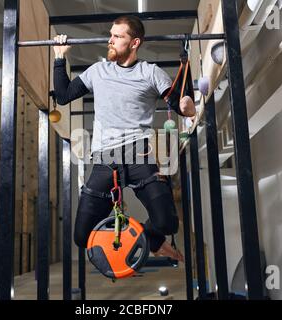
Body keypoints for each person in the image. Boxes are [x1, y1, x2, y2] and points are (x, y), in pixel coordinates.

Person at [53, 15, 196, 262]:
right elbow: (64, 96)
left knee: (167, 222)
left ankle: (151, 239)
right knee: (81, 236)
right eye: (110, 35)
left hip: (139, 154)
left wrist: (186, 105)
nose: (110, 40)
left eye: (117, 36)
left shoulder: (150, 72)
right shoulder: (98, 71)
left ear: (134, 43)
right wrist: (59, 56)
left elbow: (175, 101)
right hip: (105, 160)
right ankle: (134, 238)